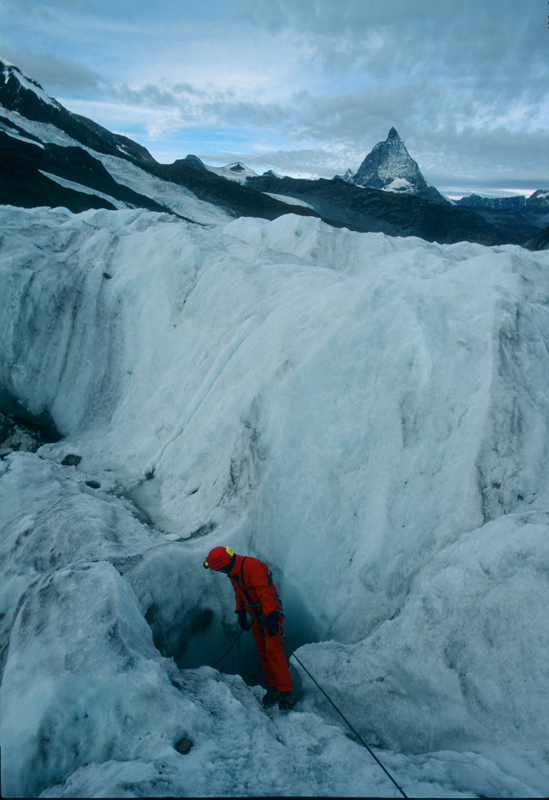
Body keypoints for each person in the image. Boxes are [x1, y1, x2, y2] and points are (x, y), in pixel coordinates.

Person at [204, 545, 294, 711]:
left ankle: (286, 692)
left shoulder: (251, 567)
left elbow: (264, 592)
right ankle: (273, 688)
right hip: (256, 616)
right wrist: (241, 612)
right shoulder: (234, 572)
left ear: (223, 564)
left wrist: (272, 617)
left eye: (219, 569)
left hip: (270, 614)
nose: (221, 572)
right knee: (263, 652)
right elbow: (239, 593)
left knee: (273, 651)